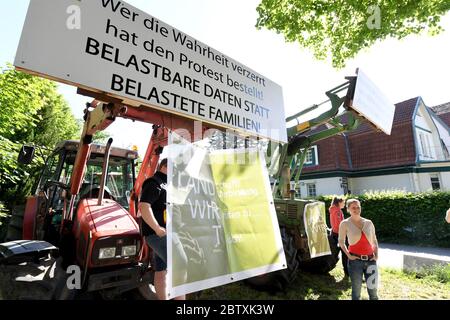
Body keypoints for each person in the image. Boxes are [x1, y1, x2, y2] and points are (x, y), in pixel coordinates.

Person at [139, 158, 185, 300]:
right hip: (159, 234)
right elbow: (144, 206)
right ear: (165, 167)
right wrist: (157, 227)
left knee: (161, 270)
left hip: (164, 233)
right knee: (180, 265)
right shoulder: (154, 183)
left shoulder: (166, 184)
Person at [338, 199, 379, 300]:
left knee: (373, 292)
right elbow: (341, 241)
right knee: (356, 293)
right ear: (348, 209)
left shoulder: (369, 223)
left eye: (358, 207)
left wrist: (376, 254)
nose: (356, 209)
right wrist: (348, 255)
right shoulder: (345, 223)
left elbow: (374, 240)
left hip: (371, 261)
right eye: (353, 208)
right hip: (355, 262)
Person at [329, 196, 349, 277]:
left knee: (335, 253)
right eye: (343, 202)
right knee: (345, 254)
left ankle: (327, 268)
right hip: (340, 234)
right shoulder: (337, 211)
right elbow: (339, 224)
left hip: (335, 233)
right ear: (339, 202)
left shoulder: (333, 209)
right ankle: (348, 273)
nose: (344, 204)